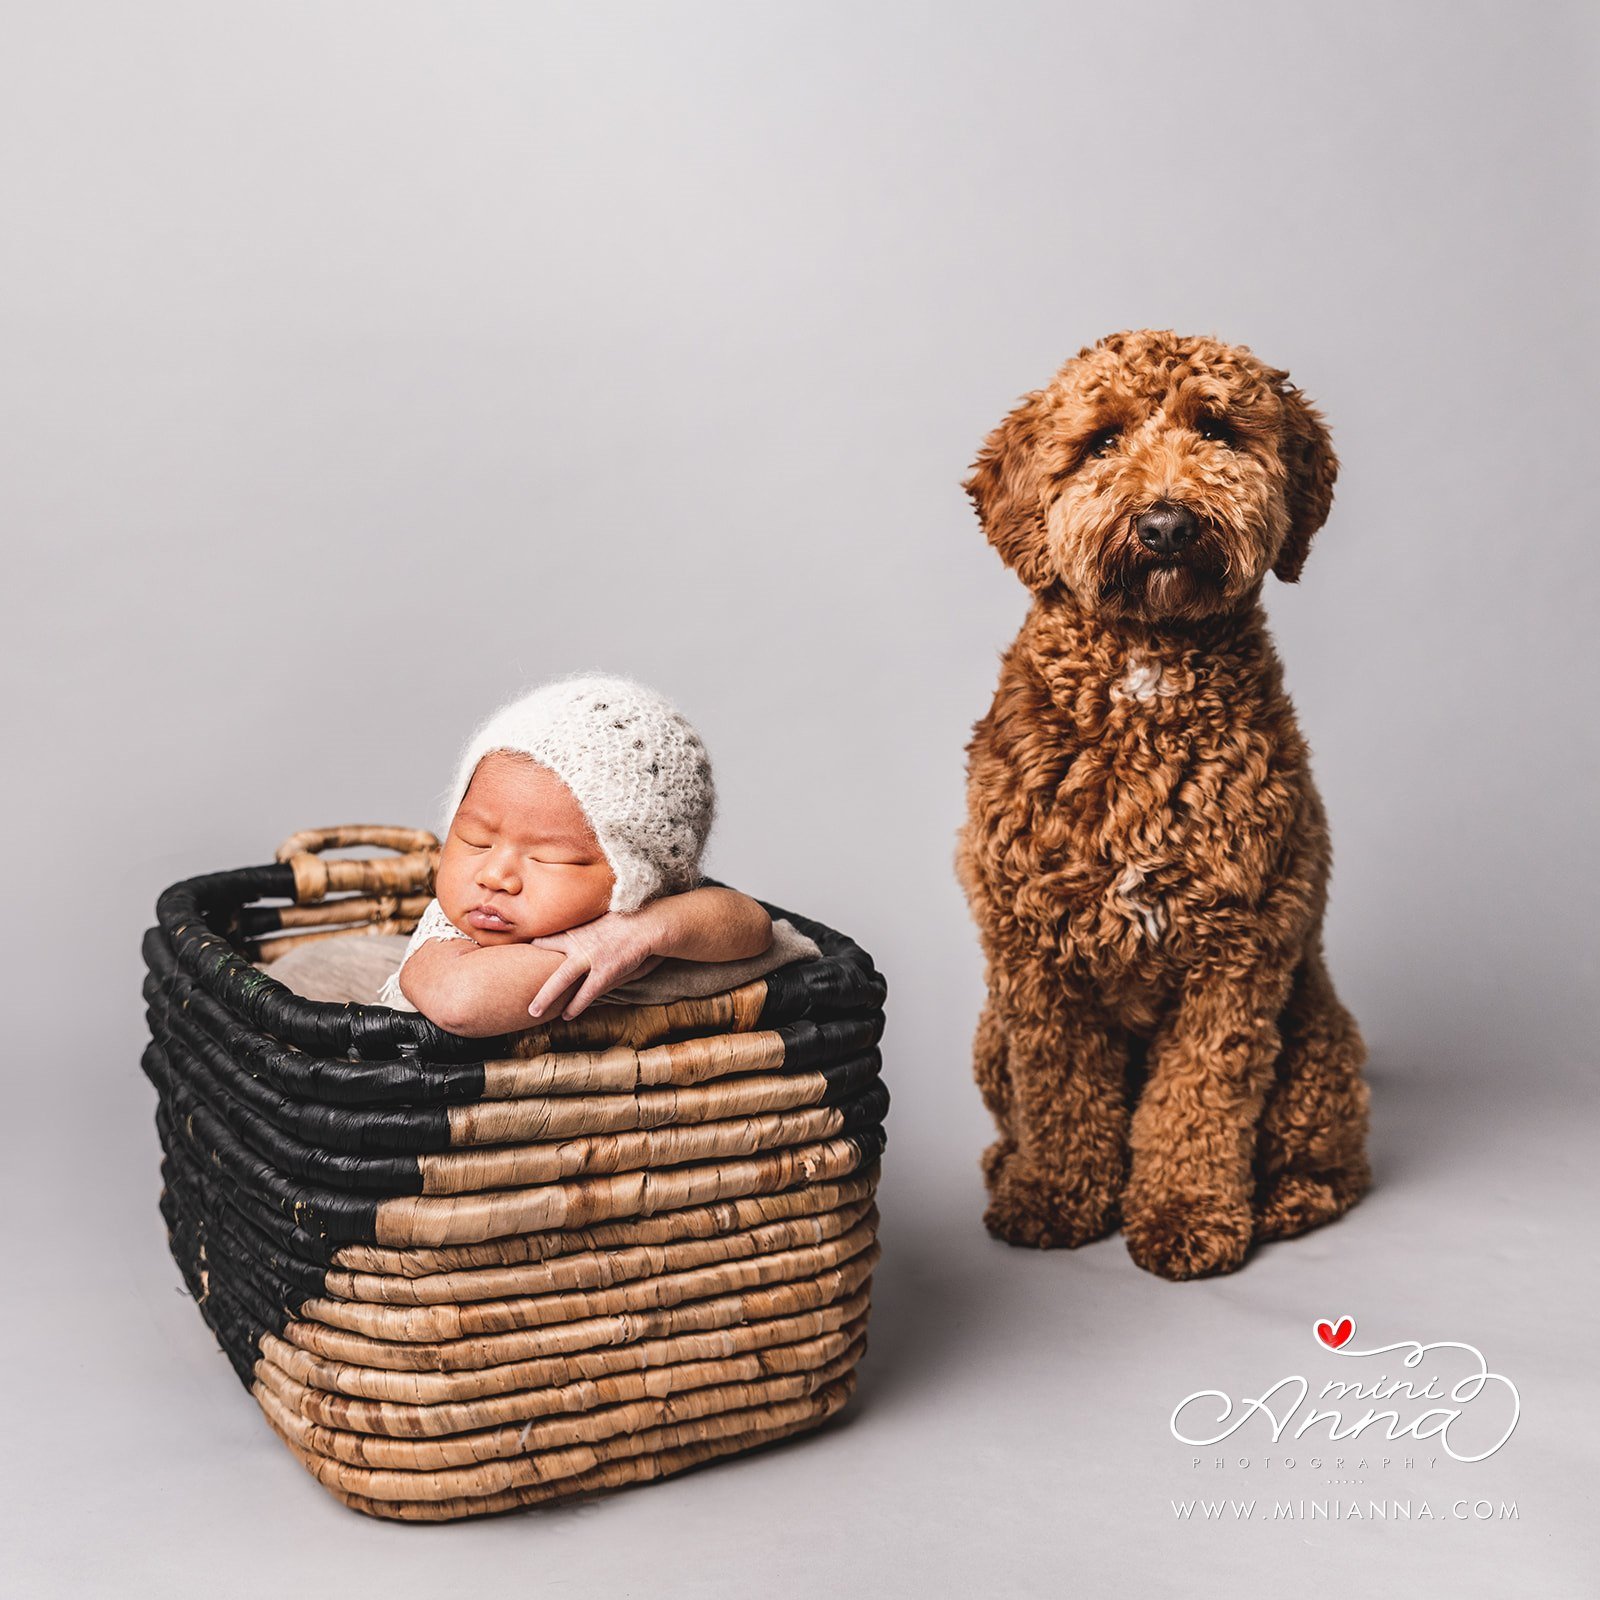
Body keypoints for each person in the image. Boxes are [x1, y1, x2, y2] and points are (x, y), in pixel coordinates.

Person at [379, 673, 773, 1037]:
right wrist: (601, 960)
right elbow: (460, 1003)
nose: (495, 875)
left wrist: (639, 933)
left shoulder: (640, 911)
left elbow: (756, 927)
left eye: (548, 858)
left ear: (639, 880)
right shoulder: (451, 930)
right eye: (476, 841)